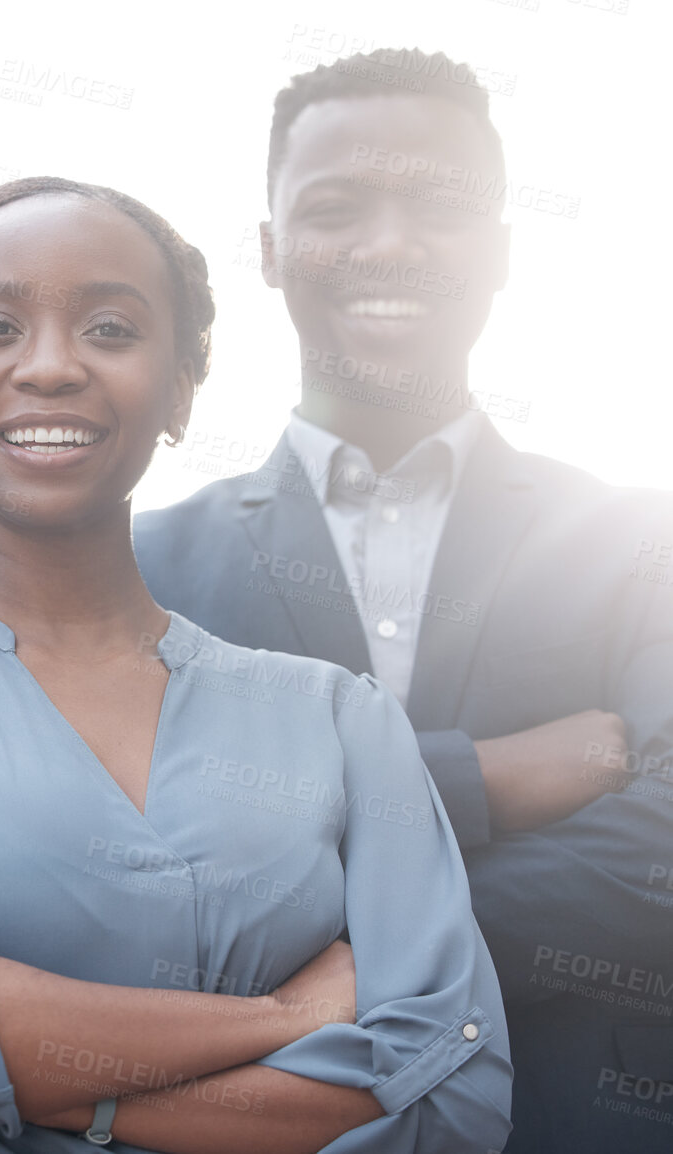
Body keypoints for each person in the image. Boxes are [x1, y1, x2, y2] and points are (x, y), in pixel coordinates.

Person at [0, 176, 513, 1153]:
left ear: (180, 390)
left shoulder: (338, 720)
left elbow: (451, 1091)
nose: (50, 367)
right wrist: (280, 1015)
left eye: (108, 328)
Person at [133, 48, 673, 1152]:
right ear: (273, 252)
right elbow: (130, 869)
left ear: (500, 250)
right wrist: (492, 776)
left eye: (439, 207)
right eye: (337, 208)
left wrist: (338, 941)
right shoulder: (145, 563)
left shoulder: (636, 538)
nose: (389, 243)